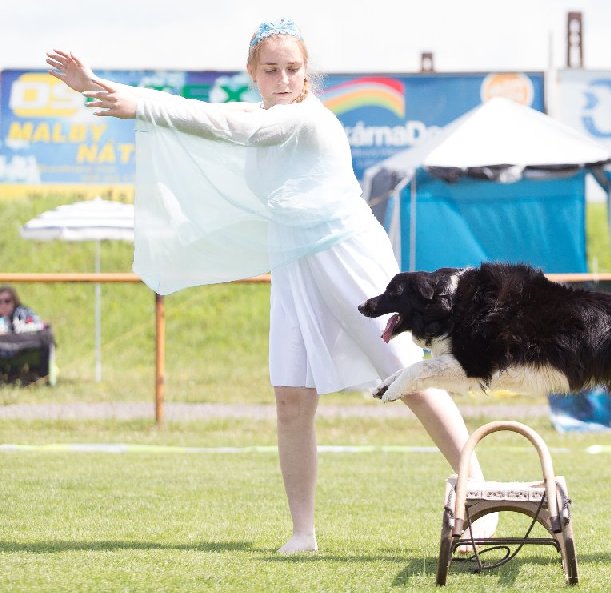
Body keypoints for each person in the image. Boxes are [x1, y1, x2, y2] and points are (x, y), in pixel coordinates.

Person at [46, 17, 496, 554]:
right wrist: (96, 85)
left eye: (292, 69)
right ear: (254, 75)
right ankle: (302, 532)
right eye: (271, 70)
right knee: (290, 397)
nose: (283, 79)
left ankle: (484, 500)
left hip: (348, 256)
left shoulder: (306, 120)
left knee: (411, 379)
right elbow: (207, 115)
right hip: (294, 261)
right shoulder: (262, 112)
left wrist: (140, 106)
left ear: (306, 75)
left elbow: (228, 128)